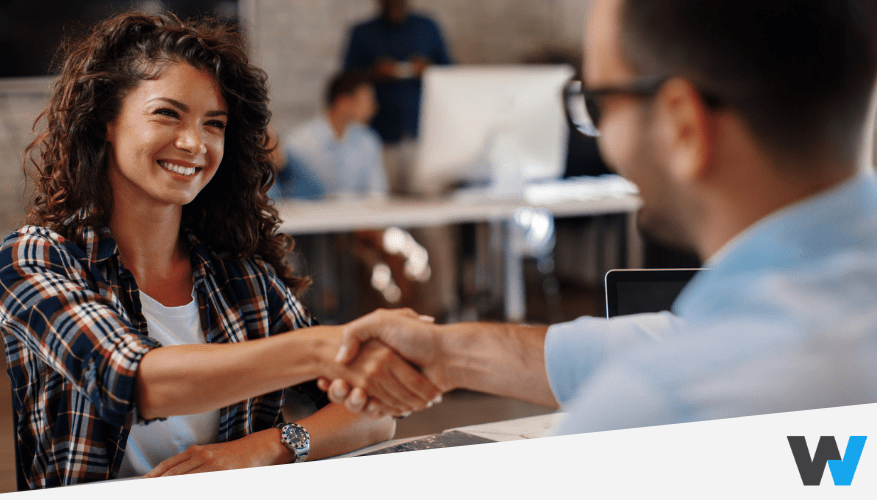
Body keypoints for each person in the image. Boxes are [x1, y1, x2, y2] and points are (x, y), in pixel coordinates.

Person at [321, 0, 877, 435]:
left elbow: (682, 362)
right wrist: (447, 356)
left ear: (683, 126)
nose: (601, 135)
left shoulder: (657, 407)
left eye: (599, 104)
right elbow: (679, 338)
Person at [0, 12, 439, 489]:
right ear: (106, 120)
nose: (194, 143)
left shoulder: (242, 277)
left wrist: (262, 448)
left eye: (214, 124)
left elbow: (373, 415)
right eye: (168, 113)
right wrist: (321, 349)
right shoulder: (35, 258)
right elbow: (133, 381)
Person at [342, 0, 452, 194]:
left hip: (422, 135)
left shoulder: (427, 27)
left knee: (427, 207)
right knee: (384, 204)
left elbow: (451, 72)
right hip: (379, 137)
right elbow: (345, 79)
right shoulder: (363, 32)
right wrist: (373, 73)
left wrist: (429, 69)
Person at [281, 71, 387, 199]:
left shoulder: (368, 141)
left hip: (359, 216)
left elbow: (377, 194)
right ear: (342, 102)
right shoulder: (298, 142)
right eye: (367, 100)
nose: (373, 107)